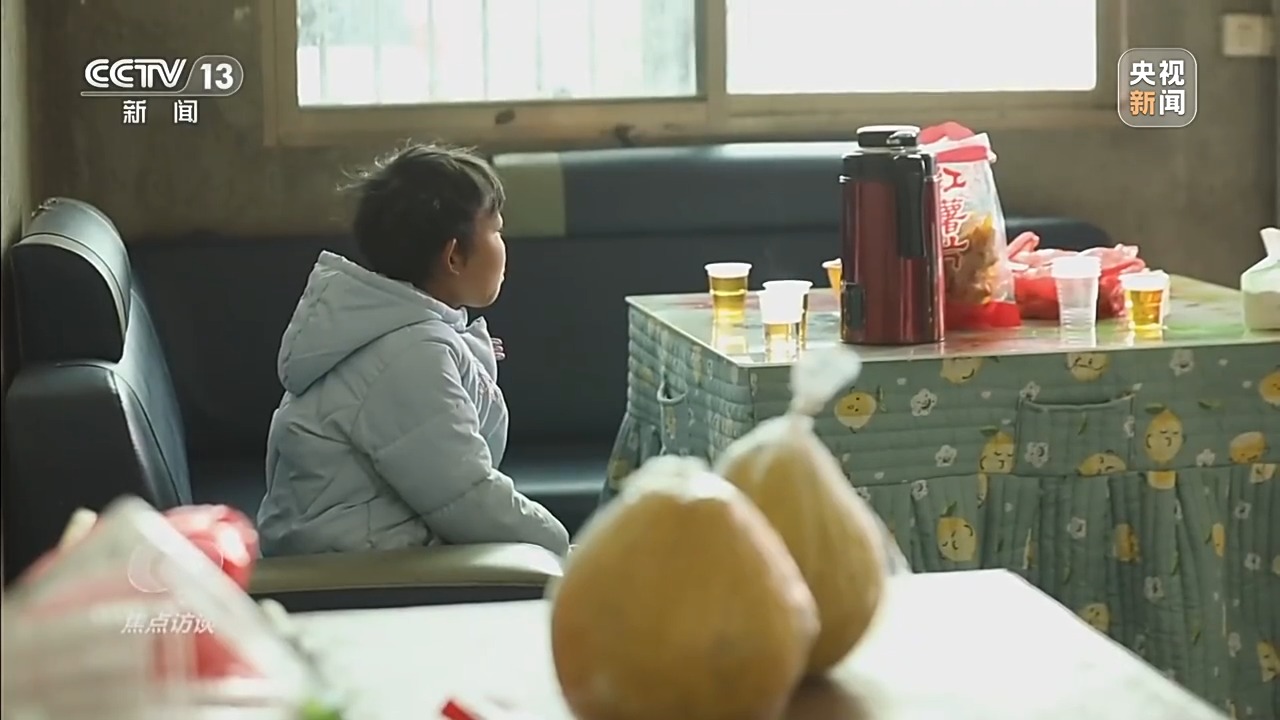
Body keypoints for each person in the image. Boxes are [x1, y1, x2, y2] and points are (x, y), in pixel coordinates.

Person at [257, 144, 570, 557]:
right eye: (496, 230)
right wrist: (564, 548)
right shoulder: (412, 356)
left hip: (358, 551)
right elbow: (468, 499)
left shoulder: (402, 335)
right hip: (354, 570)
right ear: (454, 256)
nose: (503, 244)